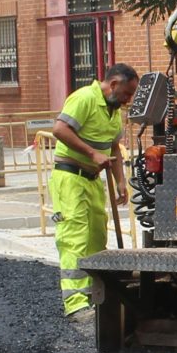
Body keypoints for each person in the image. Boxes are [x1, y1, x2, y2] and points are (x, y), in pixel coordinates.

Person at [50, 63, 137, 322]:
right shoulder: (84, 98)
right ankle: (75, 304)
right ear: (113, 85)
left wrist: (121, 181)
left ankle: (92, 296)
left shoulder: (112, 111)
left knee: (96, 236)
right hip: (70, 178)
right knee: (74, 237)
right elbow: (59, 130)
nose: (128, 100)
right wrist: (91, 153)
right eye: (126, 94)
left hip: (92, 180)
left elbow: (113, 148)